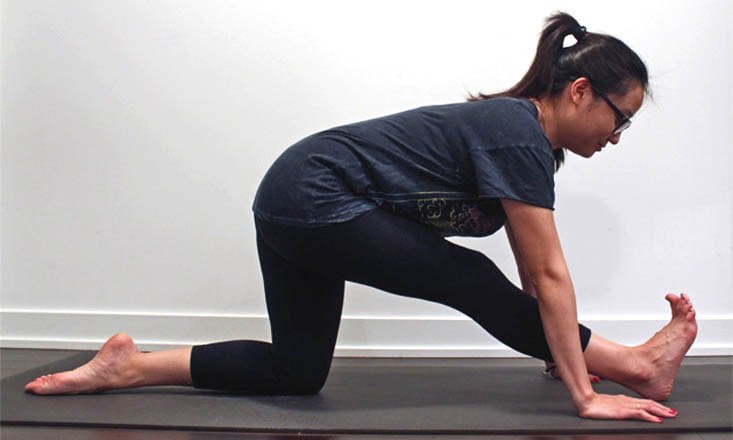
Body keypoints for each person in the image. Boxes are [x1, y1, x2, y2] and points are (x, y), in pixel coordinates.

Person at [25, 12, 697, 423]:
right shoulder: (517, 132)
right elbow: (548, 276)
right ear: (580, 92)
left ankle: (129, 367)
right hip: (316, 196)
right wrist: (589, 391)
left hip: (293, 200)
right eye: (621, 115)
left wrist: (560, 357)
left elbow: (533, 271)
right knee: (467, 278)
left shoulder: (529, 147)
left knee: (298, 370)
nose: (619, 132)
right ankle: (637, 364)